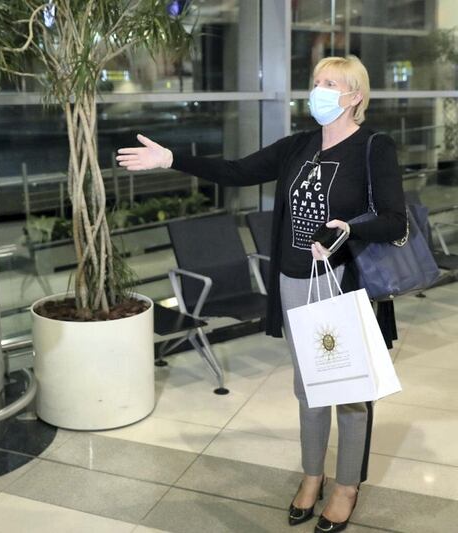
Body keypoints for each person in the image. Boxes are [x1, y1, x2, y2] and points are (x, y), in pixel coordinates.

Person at [117, 55, 405, 533]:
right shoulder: (299, 146)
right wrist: (171, 158)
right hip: (293, 281)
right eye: (316, 82)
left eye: (330, 83)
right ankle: (313, 476)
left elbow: (396, 219)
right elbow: (235, 171)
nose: (318, 91)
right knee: (309, 386)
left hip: (340, 283)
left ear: (355, 96)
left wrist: (345, 229)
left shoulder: (374, 147)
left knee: (350, 391)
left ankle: (348, 485)